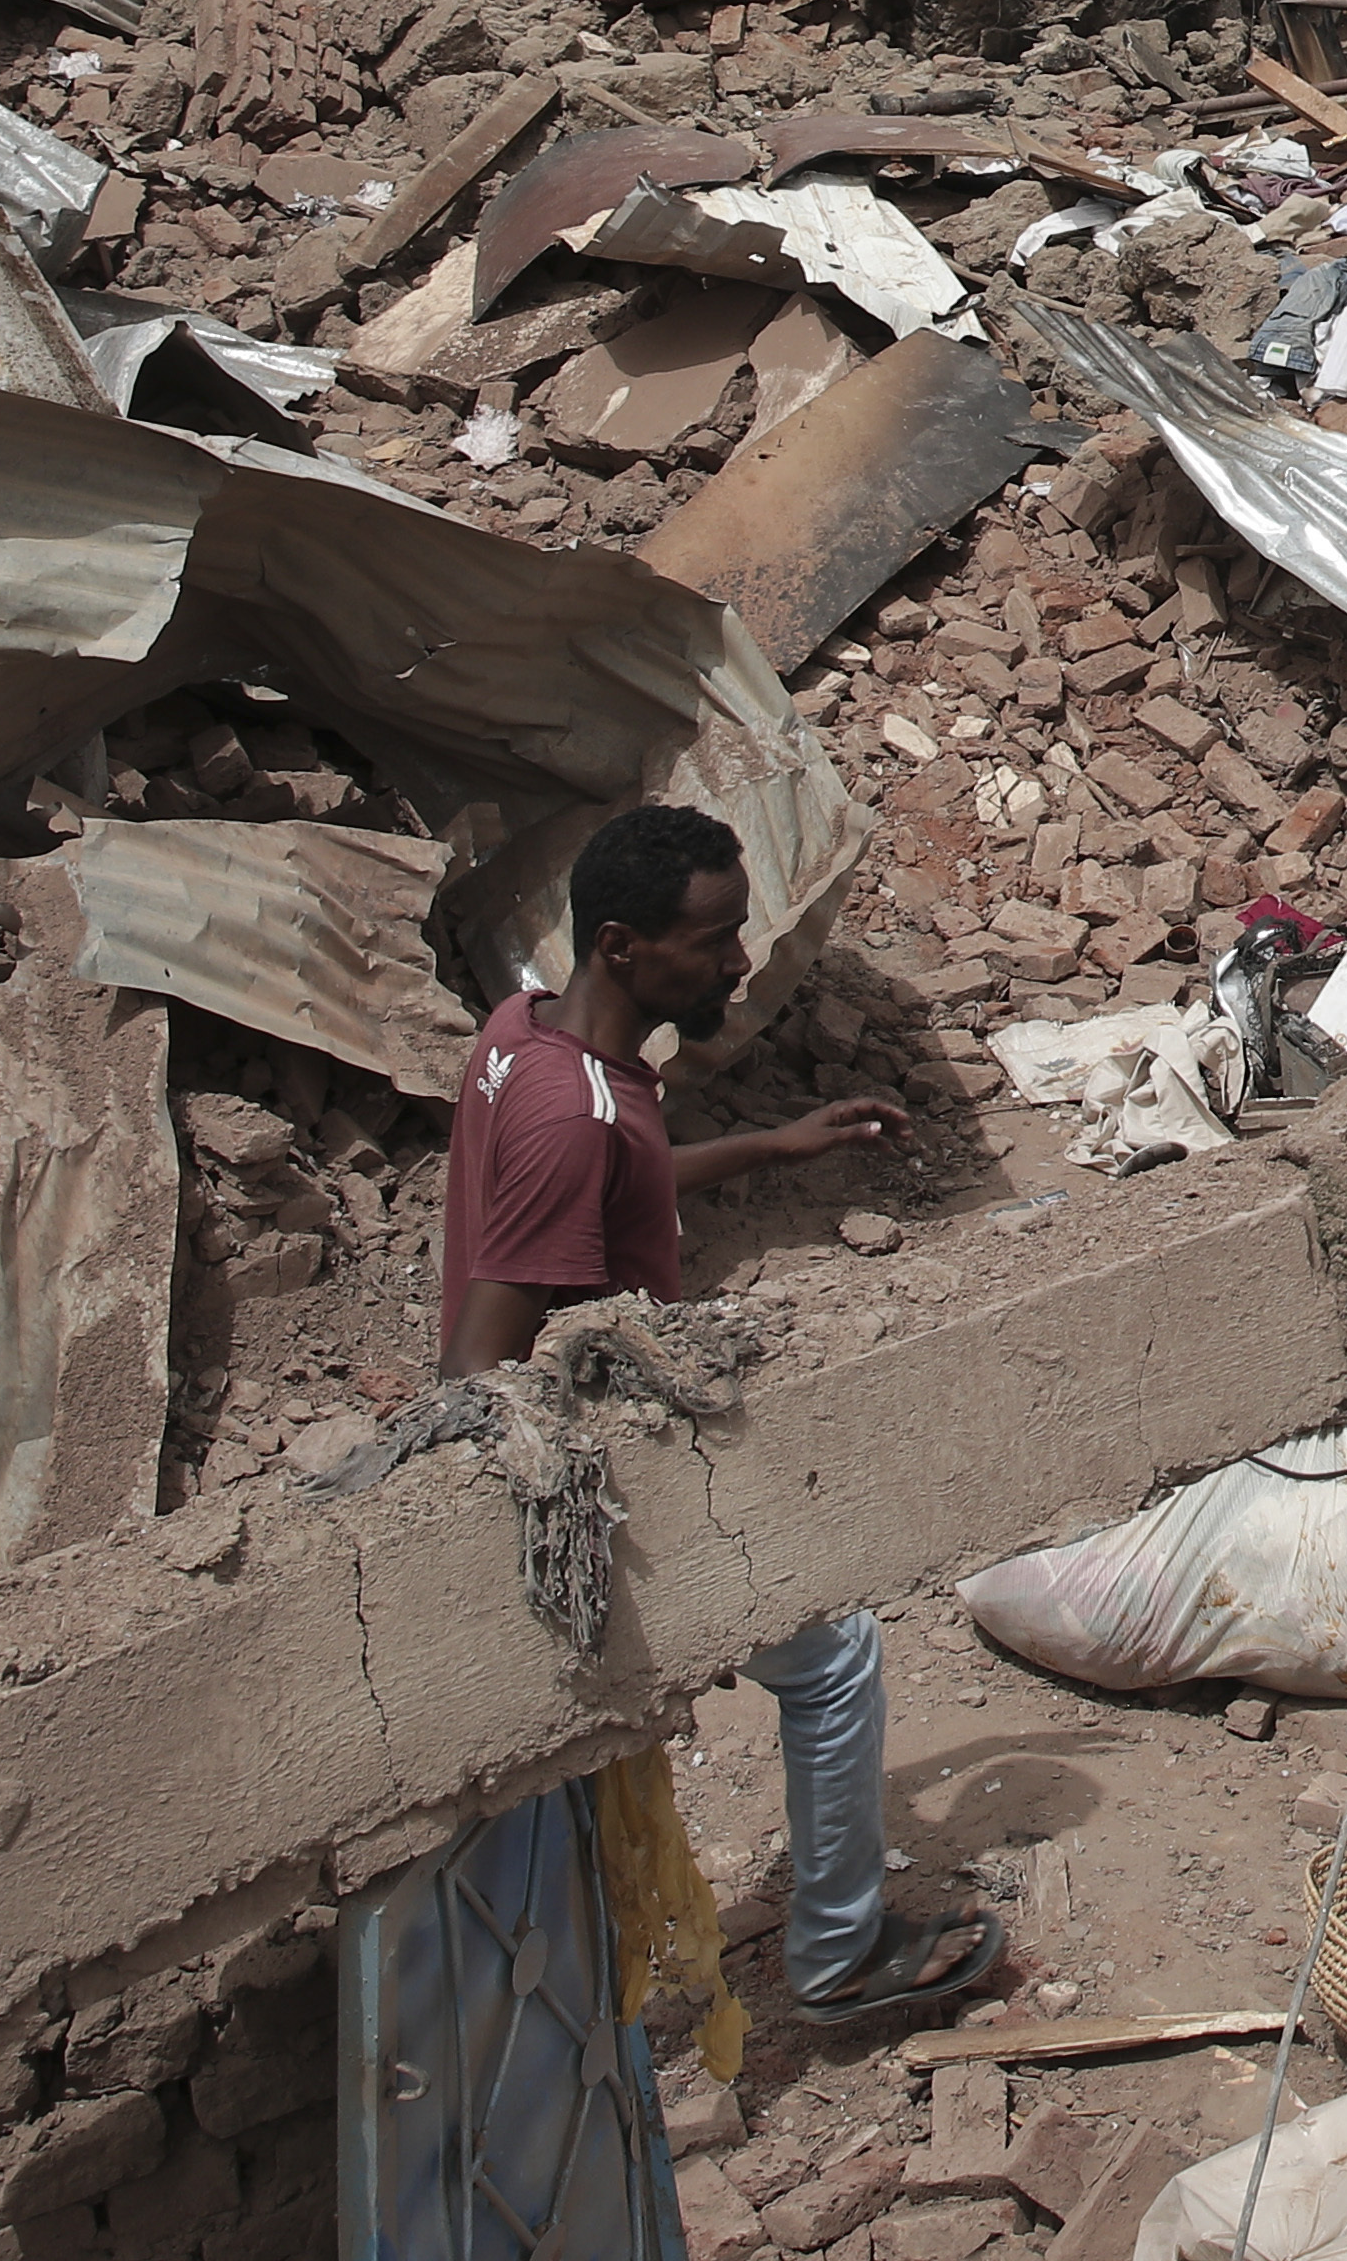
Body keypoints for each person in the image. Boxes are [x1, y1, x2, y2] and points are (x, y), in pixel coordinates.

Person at [441, 803, 996, 2028]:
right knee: (837, 1654)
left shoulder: (527, 1033)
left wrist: (765, 1147)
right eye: (715, 938)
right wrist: (559, 1537)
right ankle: (840, 1961)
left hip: (617, 1453)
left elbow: (609, 1172)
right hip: (605, 1484)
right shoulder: (565, 1116)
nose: (740, 961)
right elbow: (476, 1363)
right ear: (625, 946)